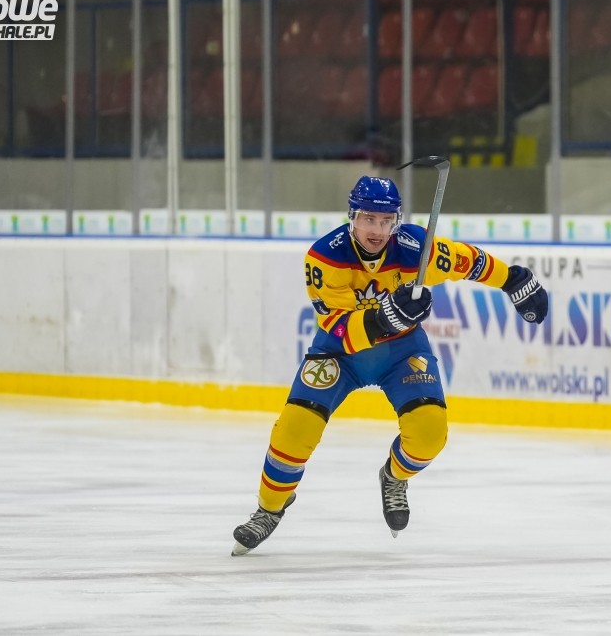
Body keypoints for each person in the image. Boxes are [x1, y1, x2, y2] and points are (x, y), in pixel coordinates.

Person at [231, 175, 548, 556]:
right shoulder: (325, 257)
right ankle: (269, 508)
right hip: (339, 354)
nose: (377, 231)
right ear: (352, 217)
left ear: (397, 221)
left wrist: (511, 280)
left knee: (430, 433)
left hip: (401, 351)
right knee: (294, 431)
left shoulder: (416, 248)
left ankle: (394, 477)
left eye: (386, 221)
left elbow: (467, 260)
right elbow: (338, 327)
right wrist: (385, 318)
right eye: (368, 219)